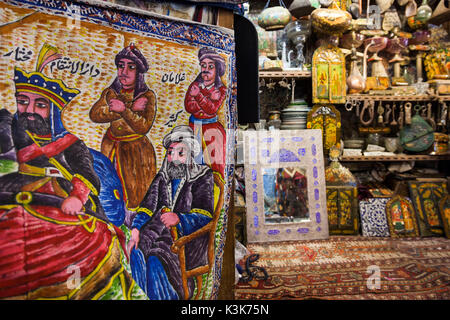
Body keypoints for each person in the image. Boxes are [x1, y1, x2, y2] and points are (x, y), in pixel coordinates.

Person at [0, 44, 131, 299]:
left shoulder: (71, 143)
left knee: (85, 243)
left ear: (53, 110)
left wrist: (77, 196)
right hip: (14, 196)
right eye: (23, 102)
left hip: (62, 202)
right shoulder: (12, 131)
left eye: (40, 104)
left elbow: (86, 172)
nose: (29, 110)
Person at [127, 125, 214, 300]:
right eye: (170, 153)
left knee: (155, 260)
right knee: (135, 252)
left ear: (190, 155)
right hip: (158, 231)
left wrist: (179, 218)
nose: (173, 158)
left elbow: (205, 215)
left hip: (186, 237)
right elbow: (147, 206)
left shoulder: (202, 176)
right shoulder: (162, 177)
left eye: (180, 153)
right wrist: (135, 229)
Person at [90, 43, 157, 212]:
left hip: (136, 153)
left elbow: (144, 126)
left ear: (139, 72)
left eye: (131, 67)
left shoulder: (147, 96)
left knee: (135, 194)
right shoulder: (110, 92)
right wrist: (129, 109)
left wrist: (123, 110)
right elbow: (95, 114)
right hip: (110, 146)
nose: (124, 72)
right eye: (121, 66)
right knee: (108, 187)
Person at [184, 47, 227, 179]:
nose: (206, 69)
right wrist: (206, 101)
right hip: (194, 127)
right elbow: (189, 106)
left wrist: (199, 97)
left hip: (212, 130)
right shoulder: (195, 85)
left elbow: (212, 109)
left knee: (215, 165)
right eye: (203, 65)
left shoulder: (221, 89)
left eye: (210, 66)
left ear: (217, 69)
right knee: (192, 164)